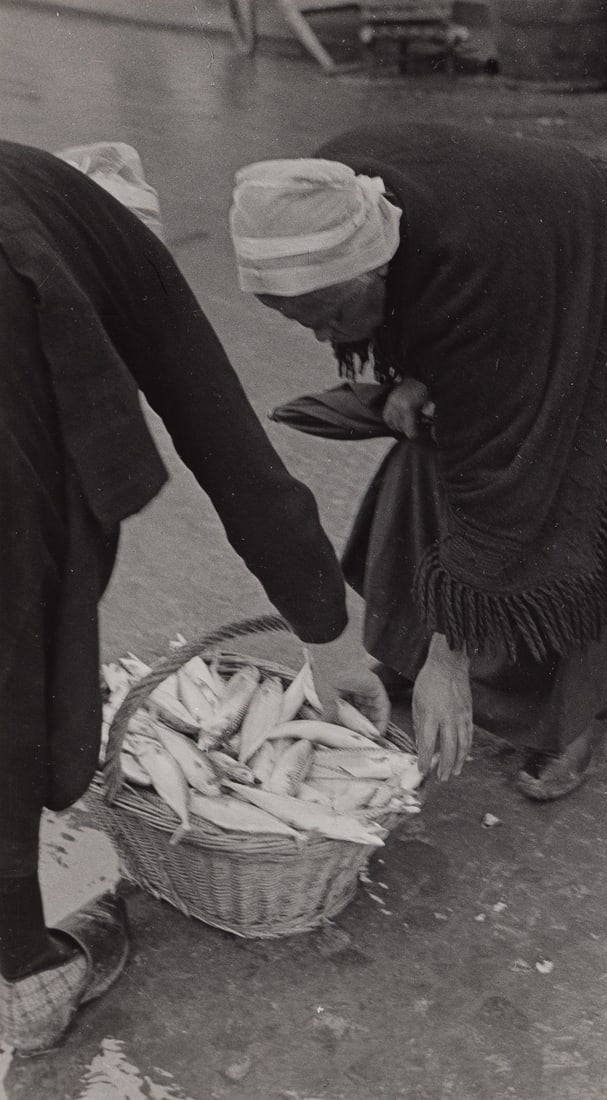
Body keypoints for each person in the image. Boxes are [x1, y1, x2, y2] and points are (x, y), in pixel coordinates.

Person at [0, 138, 388, 1056]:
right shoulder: (92, 237)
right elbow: (224, 439)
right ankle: (25, 974)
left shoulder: (39, 196)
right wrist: (325, 630)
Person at [230, 123, 607, 802]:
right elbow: (423, 312)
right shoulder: (321, 194)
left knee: (590, 494)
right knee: (431, 444)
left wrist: (451, 655)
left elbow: (497, 494)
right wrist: (412, 369)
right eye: (300, 321)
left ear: (375, 267)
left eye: (326, 315)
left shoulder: (471, 282)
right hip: (523, 264)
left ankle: (574, 711)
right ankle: (410, 652)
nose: (320, 336)